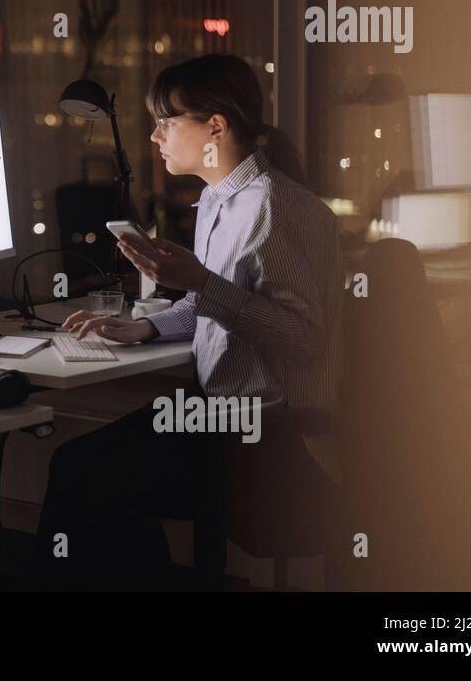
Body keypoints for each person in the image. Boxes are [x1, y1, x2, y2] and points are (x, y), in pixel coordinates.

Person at [32, 53, 342, 589]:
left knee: (85, 475)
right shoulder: (220, 200)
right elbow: (221, 300)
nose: (155, 137)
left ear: (215, 127)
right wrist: (149, 325)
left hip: (263, 436)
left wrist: (199, 281)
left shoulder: (276, 207)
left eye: (167, 121)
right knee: (85, 472)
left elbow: (303, 340)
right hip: (216, 414)